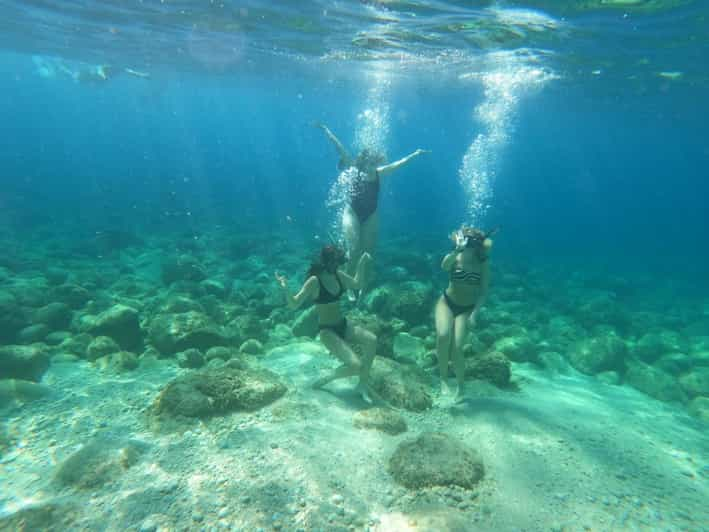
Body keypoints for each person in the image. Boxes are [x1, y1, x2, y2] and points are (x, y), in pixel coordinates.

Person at [317, 123, 428, 298]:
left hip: (371, 214)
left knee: (368, 253)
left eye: (372, 162)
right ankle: (347, 283)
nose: (369, 164)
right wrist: (326, 130)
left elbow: (398, 164)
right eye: (367, 161)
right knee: (353, 249)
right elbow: (339, 147)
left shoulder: (379, 172)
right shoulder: (353, 167)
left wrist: (415, 154)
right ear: (362, 160)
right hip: (352, 212)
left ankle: (362, 285)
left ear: (375, 161)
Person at [275, 245, 377, 402]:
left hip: (342, 324)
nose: (337, 265)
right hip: (327, 331)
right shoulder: (314, 281)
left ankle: (362, 384)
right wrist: (286, 288)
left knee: (372, 340)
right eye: (334, 262)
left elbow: (357, 284)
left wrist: (362, 263)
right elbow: (294, 304)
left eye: (338, 262)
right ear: (326, 261)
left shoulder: (338, 275)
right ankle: (330, 376)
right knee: (356, 365)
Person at [435, 226, 494, 401]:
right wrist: (457, 250)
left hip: (467, 309)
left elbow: (483, 291)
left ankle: (461, 386)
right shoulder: (456, 256)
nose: (468, 244)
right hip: (446, 303)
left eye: (472, 241)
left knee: (458, 347)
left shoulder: (483, 262)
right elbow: (444, 266)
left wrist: (475, 313)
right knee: (443, 335)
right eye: (465, 240)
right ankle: (443, 380)